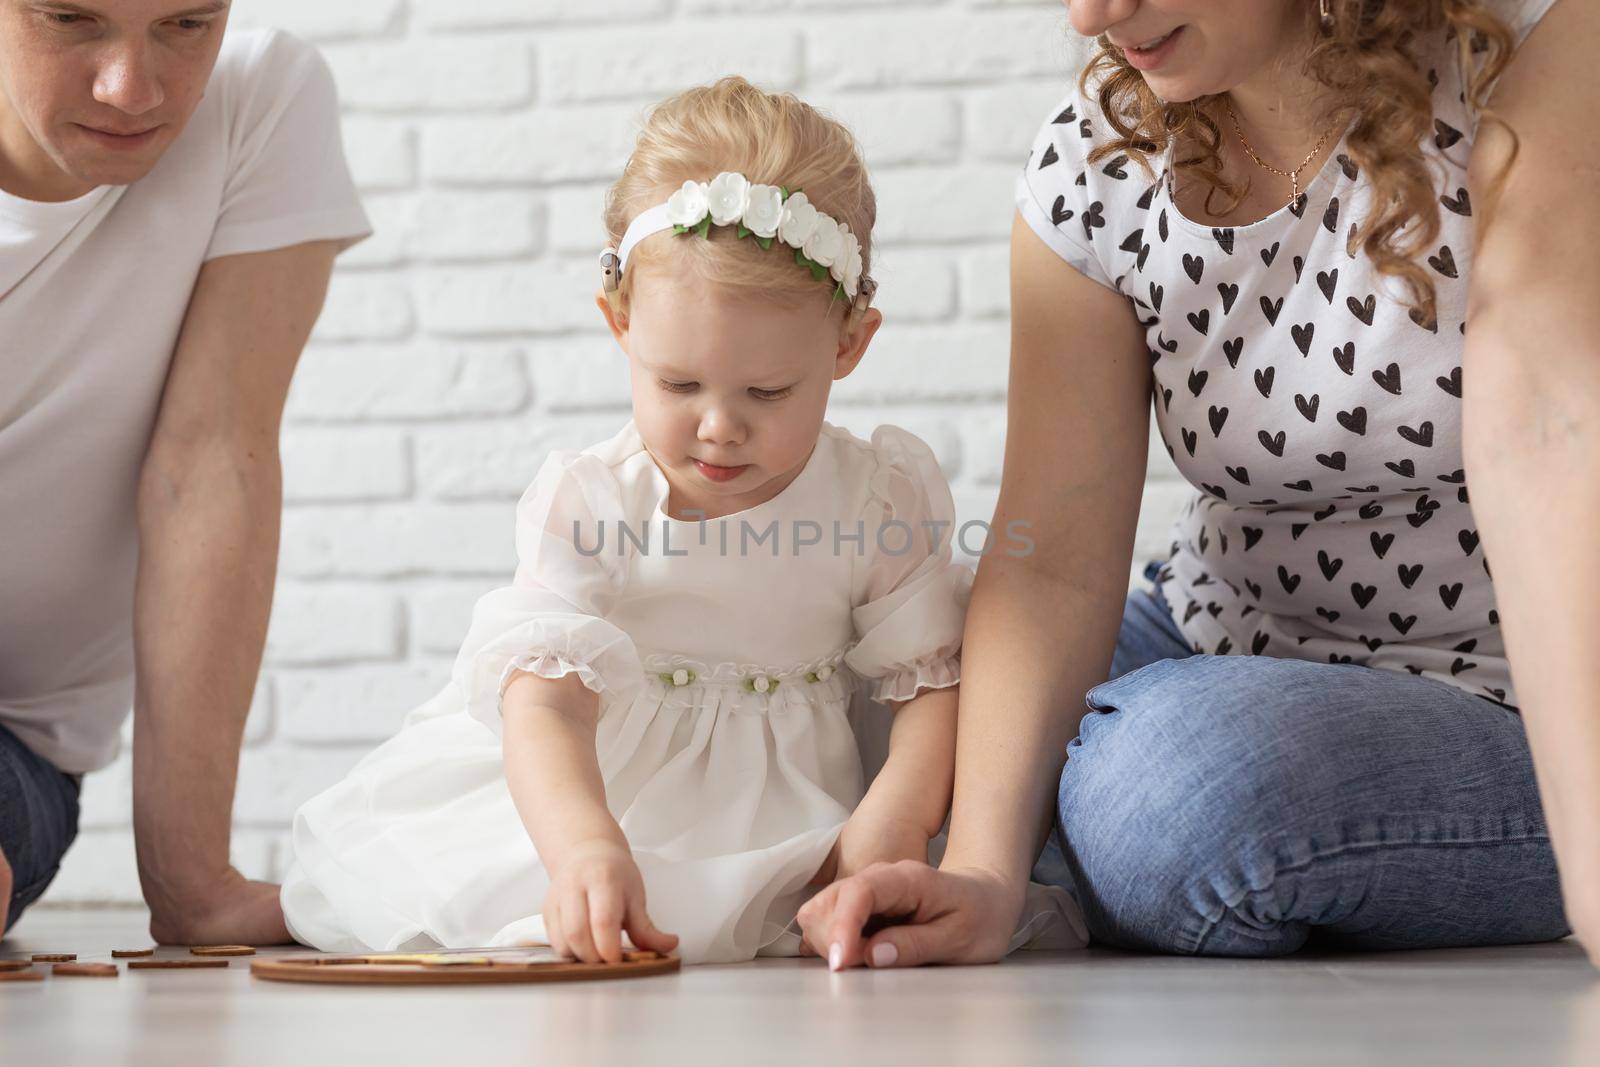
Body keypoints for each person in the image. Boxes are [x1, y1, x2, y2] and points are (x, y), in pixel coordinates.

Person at [798, 0, 1600, 969]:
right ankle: (1071, 828)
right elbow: (1051, 557)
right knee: (851, 708)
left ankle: (1109, 810)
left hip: (1511, 695)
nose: (1093, 16)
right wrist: (979, 870)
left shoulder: (1531, 53)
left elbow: (1551, 434)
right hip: (1218, 634)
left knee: (1176, 784)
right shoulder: (1096, 160)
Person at [279, 77, 1076, 966]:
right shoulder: (595, 501)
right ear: (619, 323)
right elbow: (545, 705)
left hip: (807, 808)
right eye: (679, 385)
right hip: (611, 798)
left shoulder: (877, 494)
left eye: (768, 392)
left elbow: (926, 683)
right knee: (495, 892)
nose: (719, 425)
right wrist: (583, 844)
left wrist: (891, 819)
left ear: (849, 343)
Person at [0, 1, 370, 942]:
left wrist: (192, 882)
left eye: (185, 24)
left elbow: (209, 462)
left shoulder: (258, 105)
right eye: (71, 19)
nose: (133, 88)